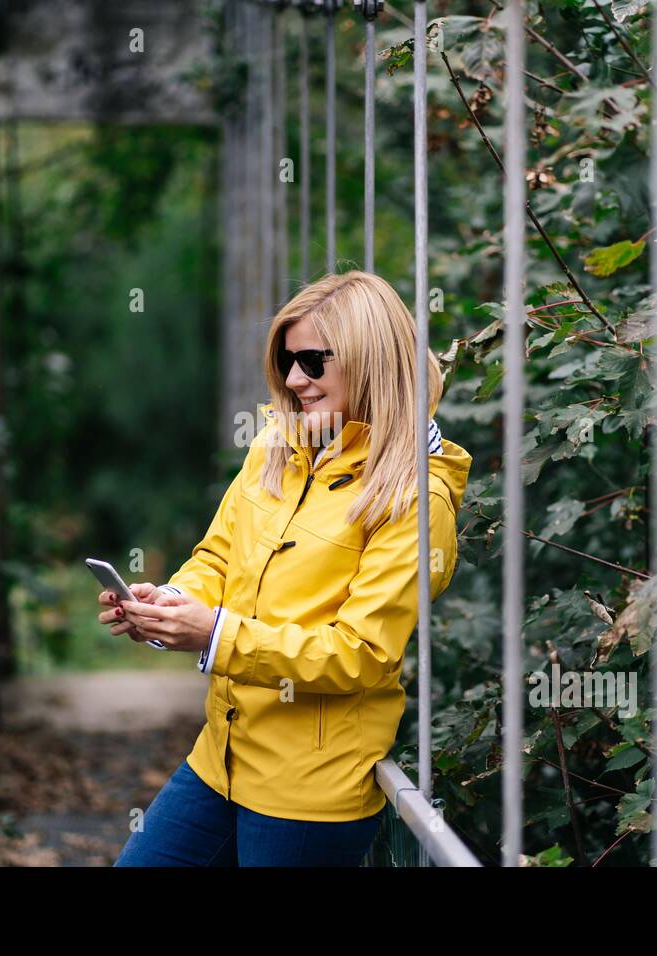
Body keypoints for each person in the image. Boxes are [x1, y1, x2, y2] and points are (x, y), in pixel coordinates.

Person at [102, 270, 472, 866]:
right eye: (286, 360)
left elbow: (361, 653)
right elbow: (219, 554)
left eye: (312, 361)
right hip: (221, 757)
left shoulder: (414, 500)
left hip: (308, 793)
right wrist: (171, 603)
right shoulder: (278, 443)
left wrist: (215, 634)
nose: (294, 379)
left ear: (369, 361)